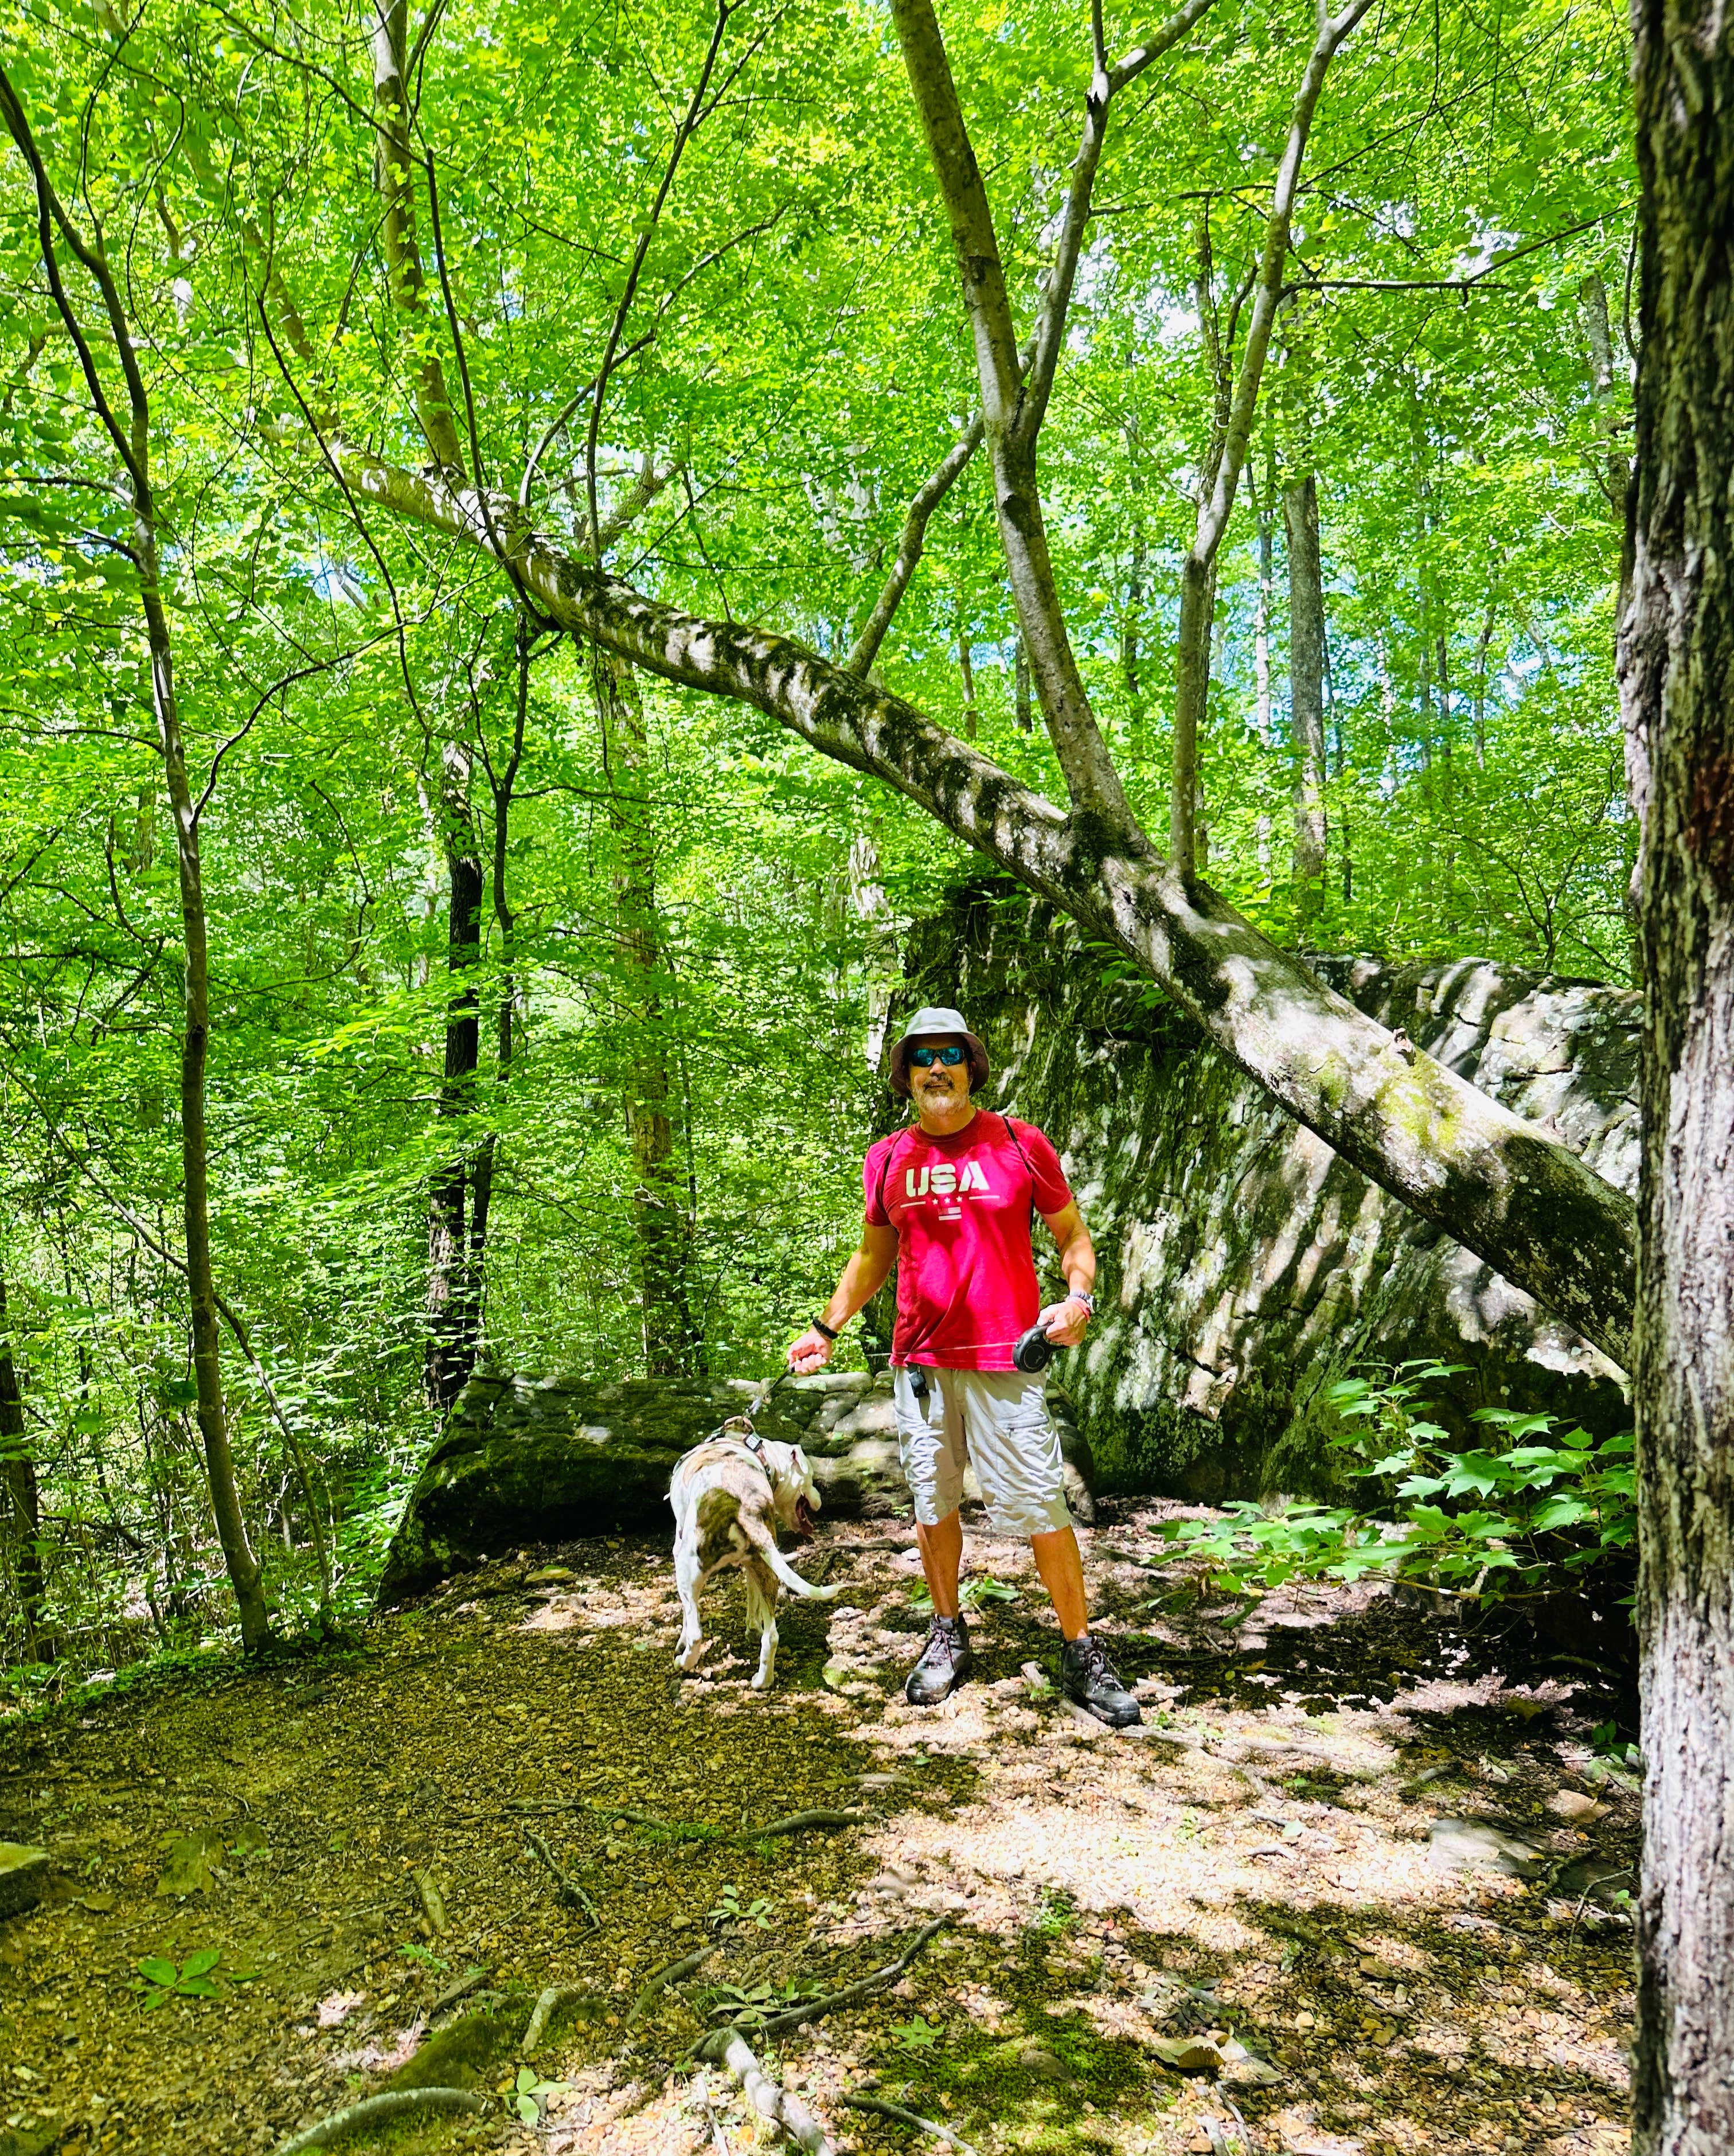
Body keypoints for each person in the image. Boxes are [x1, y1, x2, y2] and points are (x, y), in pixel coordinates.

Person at [787, 1007, 1141, 1727]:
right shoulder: (888, 1158)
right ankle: (947, 1633)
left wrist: (1078, 1302)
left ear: (971, 1066)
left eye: (950, 1054)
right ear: (906, 1077)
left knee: (1044, 1503)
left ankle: (1079, 1648)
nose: (937, 1067)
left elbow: (1072, 1233)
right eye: (922, 1059)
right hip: (920, 1363)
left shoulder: (1018, 1141)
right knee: (932, 1503)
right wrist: (826, 1327)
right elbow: (873, 1256)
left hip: (1006, 1357)